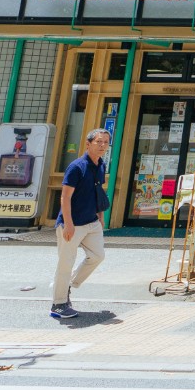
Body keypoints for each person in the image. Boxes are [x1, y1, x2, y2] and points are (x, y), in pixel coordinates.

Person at [52, 129, 111, 320]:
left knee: (97, 256)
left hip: (91, 221)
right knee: (65, 263)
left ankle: (69, 285)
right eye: (99, 142)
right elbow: (65, 196)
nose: (102, 146)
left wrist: (100, 215)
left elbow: (98, 191)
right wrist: (68, 224)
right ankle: (58, 304)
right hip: (72, 223)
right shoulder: (77, 167)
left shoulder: (100, 165)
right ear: (88, 144)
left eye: (105, 142)